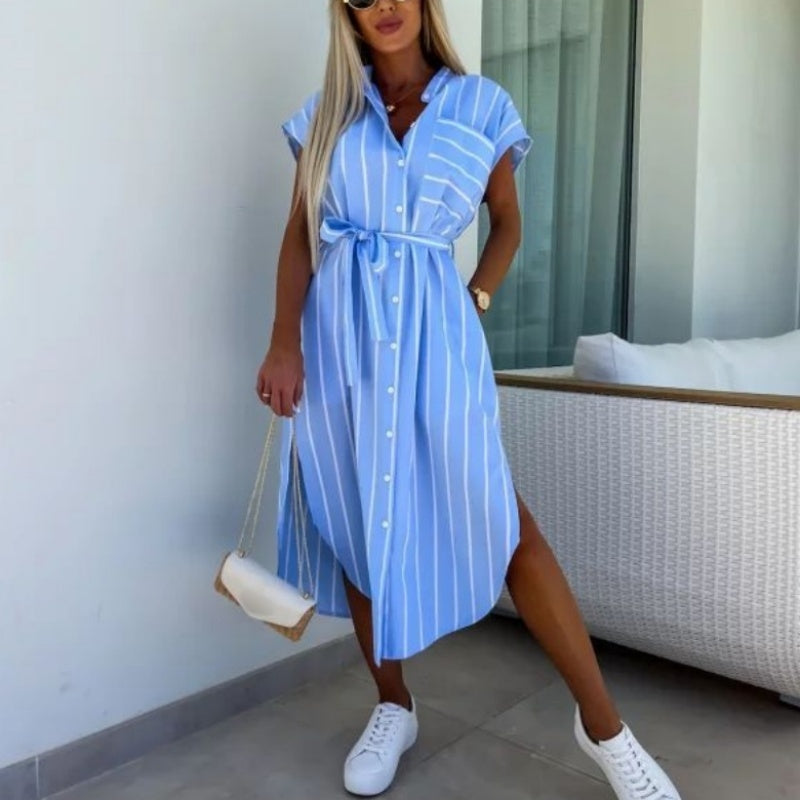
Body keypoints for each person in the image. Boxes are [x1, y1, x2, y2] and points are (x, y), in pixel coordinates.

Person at [256, 1, 681, 798]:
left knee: (505, 525)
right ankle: (393, 704)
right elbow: (299, 233)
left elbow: (507, 221)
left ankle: (604, 729)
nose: (384, 6)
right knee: (357, 522)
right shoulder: (326, 116)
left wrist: (475, 295)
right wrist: (285, 342)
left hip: (437, 344)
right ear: (346, 12)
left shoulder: (481, 105)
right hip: (340, 344)